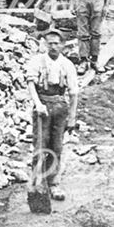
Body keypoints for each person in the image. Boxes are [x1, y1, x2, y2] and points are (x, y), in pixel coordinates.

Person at [26, 28, 79, 202]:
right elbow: (31, 84)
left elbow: (73, 93)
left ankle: (54, 182)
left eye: (57, 43)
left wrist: (72, 117)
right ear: (45, 44)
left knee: (56, 147)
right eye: (50, 43)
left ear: (63, 45)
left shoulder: (67, 64)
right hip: (42, 105)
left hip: (60, 106)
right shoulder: (37, 61)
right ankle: (37, 183)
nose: (54, 47)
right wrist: (38, 104)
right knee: (40, 145)